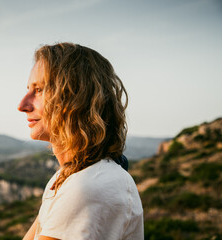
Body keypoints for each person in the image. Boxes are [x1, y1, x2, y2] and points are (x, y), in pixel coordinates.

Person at [18, 43, 143, 240]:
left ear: (76, 98)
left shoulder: (87, 186)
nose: (22, 105)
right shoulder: (69, 177)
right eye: (29, 89)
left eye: (39, 90)